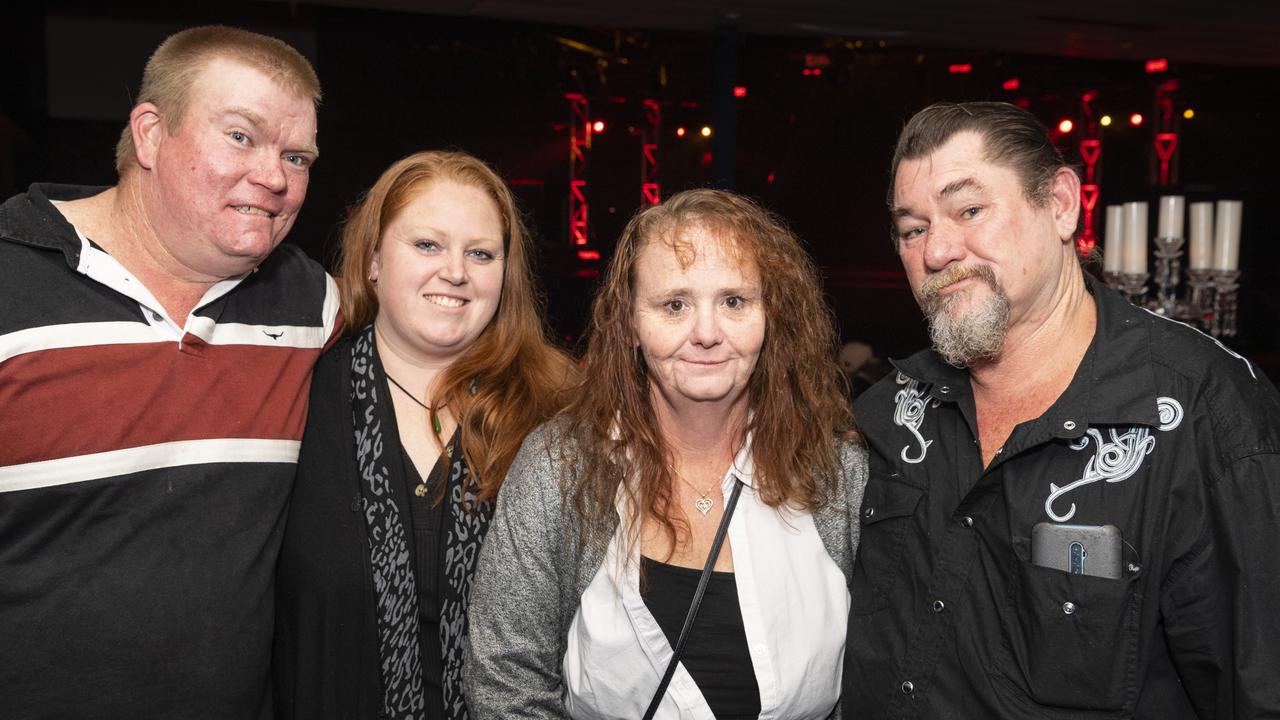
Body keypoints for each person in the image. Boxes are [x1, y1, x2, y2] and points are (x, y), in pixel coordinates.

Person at [844, 101, 1280, 718]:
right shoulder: (895, 411)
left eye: (969, 210)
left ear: (1059, 205)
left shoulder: (1203, 414)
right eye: (913, 229)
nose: (937, 252)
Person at [0, 25, 338, 719]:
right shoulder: (10, 285)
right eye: (241, 137)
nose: (275, 177)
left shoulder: (312, 307)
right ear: (150, 135)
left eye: (297, 155)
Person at [464, 188, 866, 719]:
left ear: (772, 317)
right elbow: (504, 679)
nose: (706, 333)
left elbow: (878, 678)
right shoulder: (558, 468)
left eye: (734, 302)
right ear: (630, 322)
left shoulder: (837, 473)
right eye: (674, 305)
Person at [273, 150, 577, 720]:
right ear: (371, 261)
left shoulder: (560, 418)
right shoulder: (292, 403)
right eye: (427, 245)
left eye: (481, 253)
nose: (456, 272)